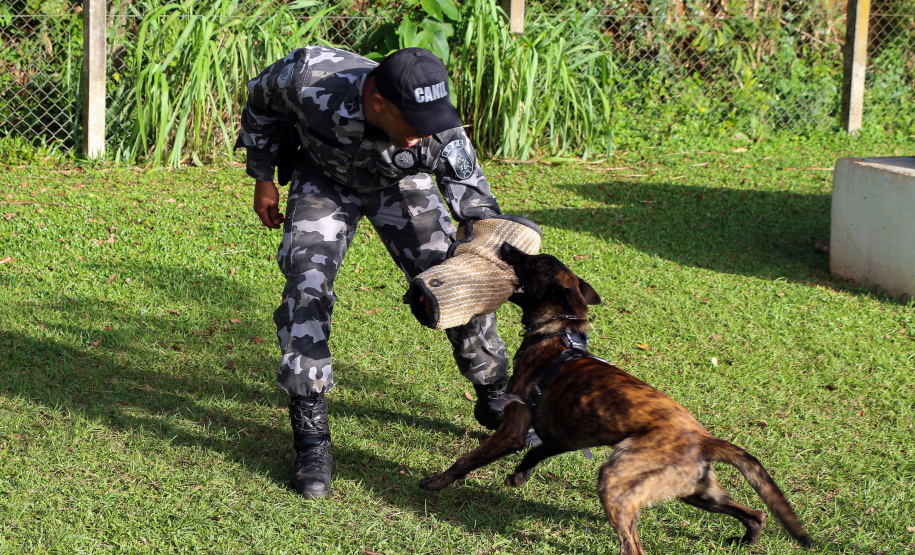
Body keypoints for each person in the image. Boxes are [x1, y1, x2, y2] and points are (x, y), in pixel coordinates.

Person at [235, 46, 517, 499]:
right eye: (414, 124)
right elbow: (260, 102)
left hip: (400, 186)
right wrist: (262, 175)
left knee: (457, 276)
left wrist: (487, 263)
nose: (424, 132)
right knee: (305, 286)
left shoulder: (439, 131)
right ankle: (311, 438)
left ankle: (494, 387)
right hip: (323, 180)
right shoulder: (308, 76)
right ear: (379, 103)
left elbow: (480, 214)